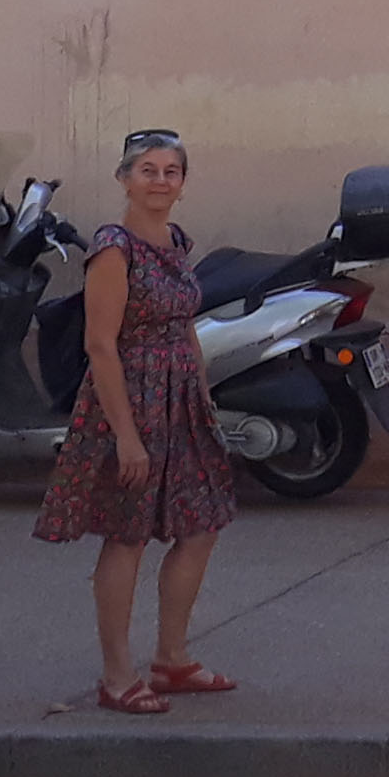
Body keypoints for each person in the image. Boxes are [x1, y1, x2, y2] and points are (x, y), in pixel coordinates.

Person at [31, 126, 244, 712]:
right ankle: (117, 676)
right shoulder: (112, 249)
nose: (160, 181)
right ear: (124, 178)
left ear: (182, 183)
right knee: (127, 536)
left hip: (181, 400)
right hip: (130, 400)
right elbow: (100, 345)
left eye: (170, 171)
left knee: (200, 525)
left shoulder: (175, 240)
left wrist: (202, 398)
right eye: (147, 170)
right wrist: (126, 437)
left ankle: (172, 660)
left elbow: (185, 329)